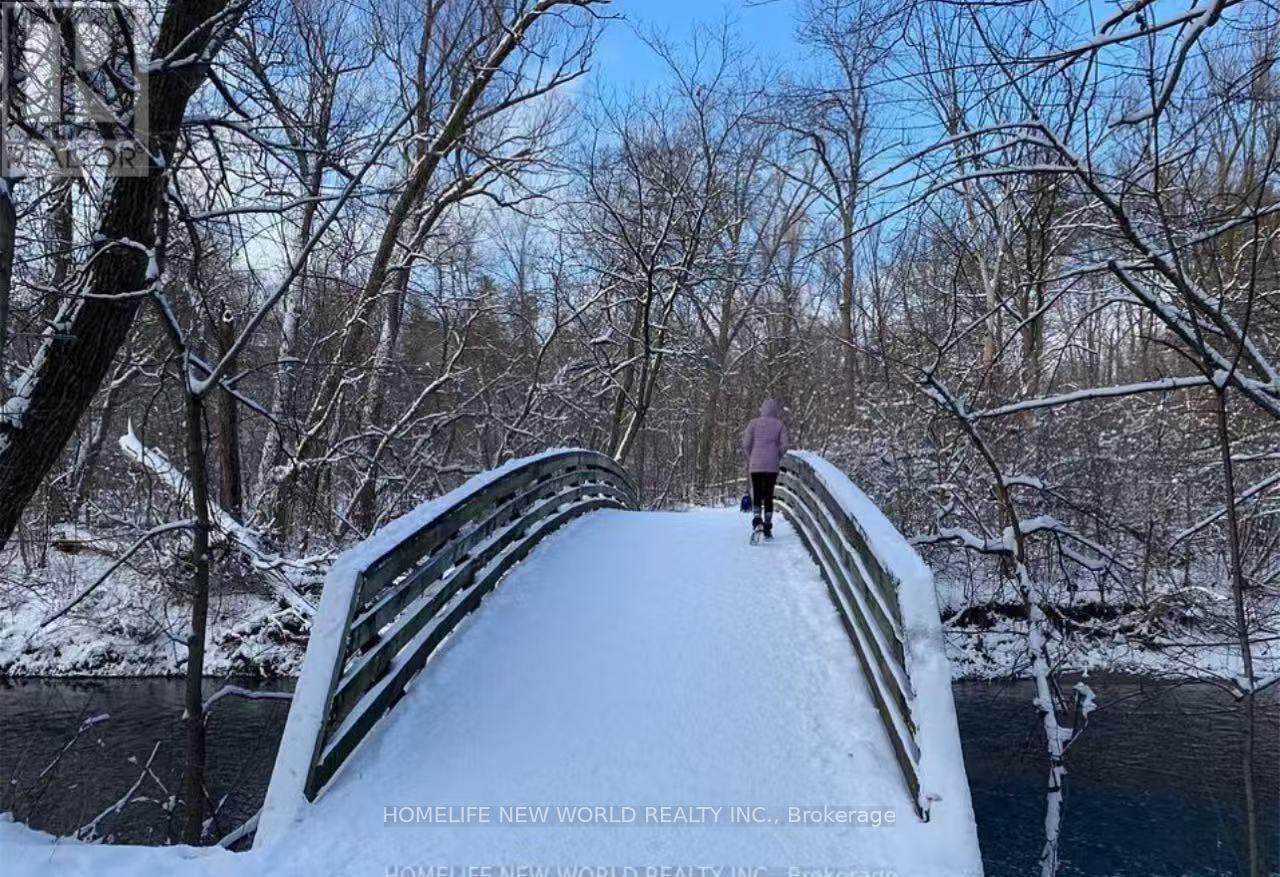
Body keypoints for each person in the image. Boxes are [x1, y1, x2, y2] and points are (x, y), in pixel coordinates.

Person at [742, 399, 789, 539]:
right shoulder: (780, 425)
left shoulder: (753, 423)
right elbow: (785, 445)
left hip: (756, 465)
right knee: (769, 494)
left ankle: (757, 521)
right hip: (772, 465)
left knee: (757, 492)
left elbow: (746, 444)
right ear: (775, 410)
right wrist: (777, 455)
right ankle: (767, 526)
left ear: (762, 409)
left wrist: (752, 456)